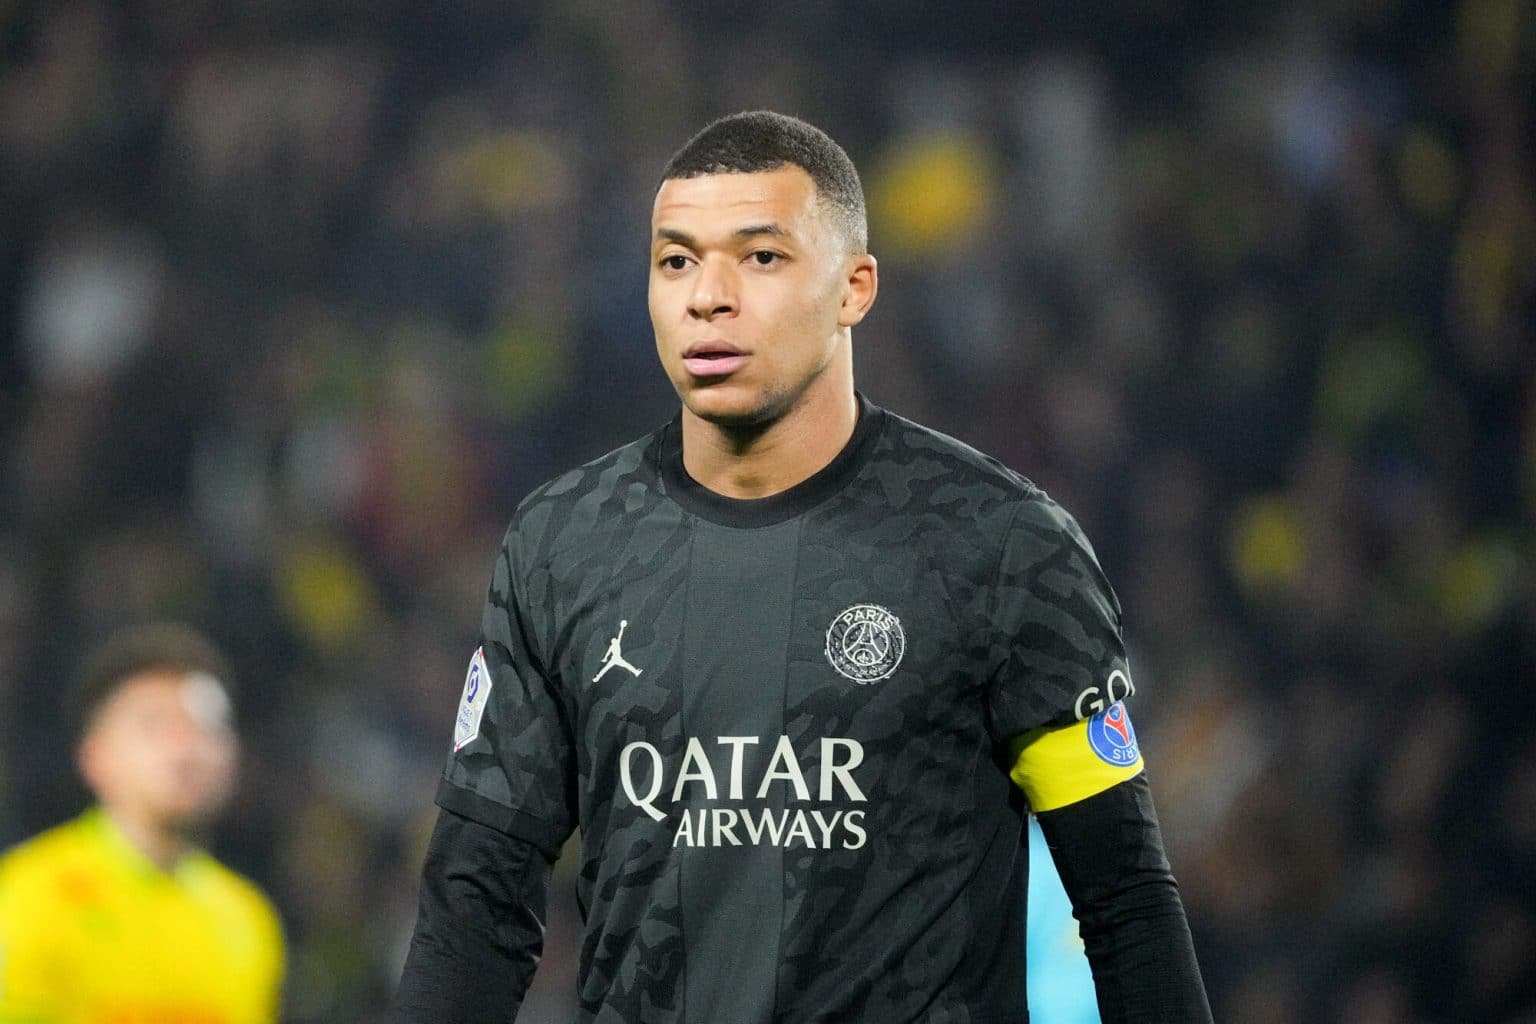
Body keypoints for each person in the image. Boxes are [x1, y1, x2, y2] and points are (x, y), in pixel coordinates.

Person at [395, 110, 1212, 1023]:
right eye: (677, 261)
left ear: (854, 288)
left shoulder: (1002, 546)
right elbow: (475, 907)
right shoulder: (563, 545)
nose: (709, 296)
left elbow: (1124, 902)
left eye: (761, 257)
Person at [0, 623, 285, 1023]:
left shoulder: (247, 918)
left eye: (206, 728)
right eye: (155, 726)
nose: (186, 750)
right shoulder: (27, 897)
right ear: (95, 756)